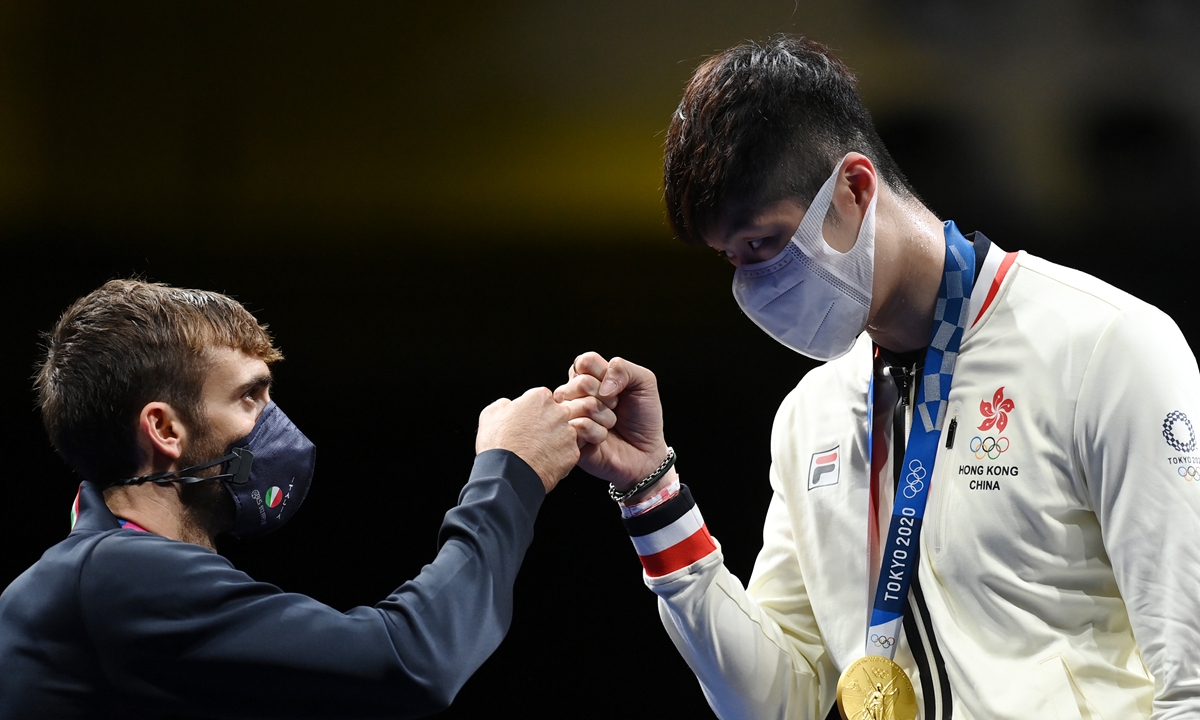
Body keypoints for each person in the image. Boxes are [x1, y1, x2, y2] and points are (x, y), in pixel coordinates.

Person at [556, 35, 1200, 719]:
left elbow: (1190, 687)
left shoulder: (1107, 348)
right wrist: (652, 494)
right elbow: (777, 704)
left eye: (764, 244)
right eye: (731, 260)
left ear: (855, 187)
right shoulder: (813, 417)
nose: (753, 284)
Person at [0, 279, 614, 718]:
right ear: (164, 430)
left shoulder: (107, 582)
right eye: (249, 397)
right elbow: (410, 663)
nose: (275, 424)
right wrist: (511, 471)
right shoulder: (113, 576)